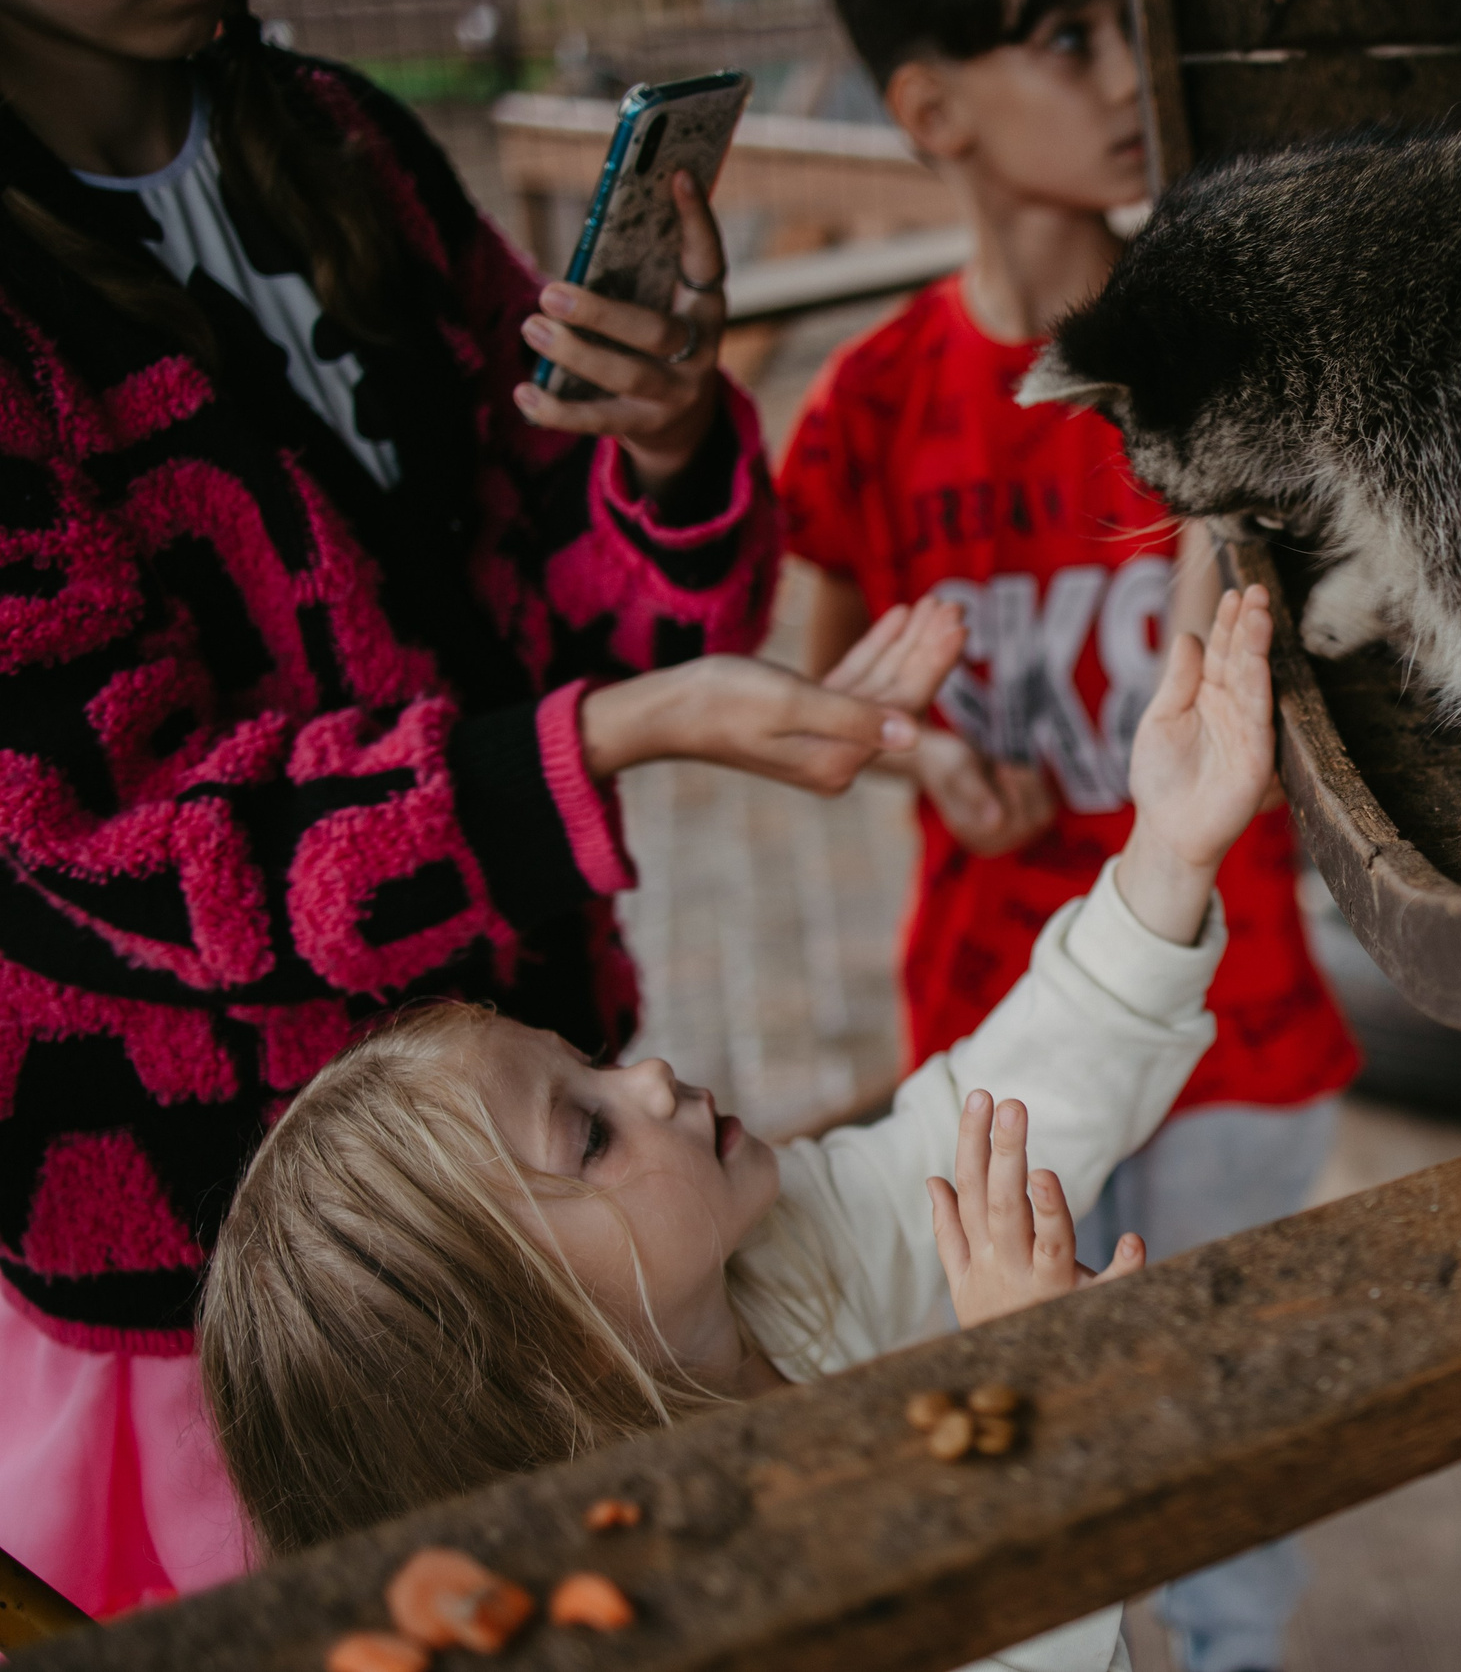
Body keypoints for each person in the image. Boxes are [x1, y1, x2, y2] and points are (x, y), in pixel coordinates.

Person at [0, 0, 959, 1620]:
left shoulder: (338, 140)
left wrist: (659, 443)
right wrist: (589, 747)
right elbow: (102, 838)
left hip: (552, 1197)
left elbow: (567, 587)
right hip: (233, 1284)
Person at [201, 584, 1284, 1672]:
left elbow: (978, 1129)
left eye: (593, 1068)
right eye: (589, 1134)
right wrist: (1024, 1413)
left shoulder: (764, 1266)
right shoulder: (678, 1618)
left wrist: (1167, 859)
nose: (653, 1078)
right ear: (542, 1358)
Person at [776, 0, 1359, 1667]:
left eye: (1126, 24)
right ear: (931, 111)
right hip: (996, 1039)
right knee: (1024, 1437)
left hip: (1236, 1015)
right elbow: (828, 699)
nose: (1128, 77)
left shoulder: (1223, 357)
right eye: (1064, 40)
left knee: (1226, 1434)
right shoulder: (874, 402)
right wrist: (922, 754)